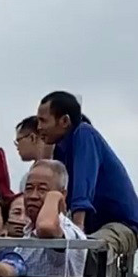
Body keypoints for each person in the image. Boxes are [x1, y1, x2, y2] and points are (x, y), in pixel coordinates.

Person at [37, 91, 138, 260]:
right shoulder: (60, 149)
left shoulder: (84, 135)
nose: (39, 127)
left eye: (43, 121)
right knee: (46, 252)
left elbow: (83, 188)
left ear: (64, 121)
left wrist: (76, 231)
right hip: (92, 226)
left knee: (89, 254)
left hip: (121, 224)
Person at [19, 159, 87, 277]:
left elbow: (46, 227)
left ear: (63, 194)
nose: (33, 196)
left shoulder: (65, 228)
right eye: (29, 189)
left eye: (42, 190)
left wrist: (55, 197)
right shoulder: (28, 232)